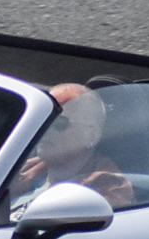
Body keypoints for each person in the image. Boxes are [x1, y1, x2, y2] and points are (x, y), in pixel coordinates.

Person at [11, 83, 135, 211]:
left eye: (59, 122)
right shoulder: (22, 170)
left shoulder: (108, 188)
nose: (46, 128)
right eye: (44, 118)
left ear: (92, 135)